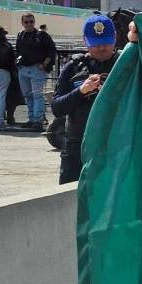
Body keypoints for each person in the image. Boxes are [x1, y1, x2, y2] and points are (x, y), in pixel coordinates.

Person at [51, 16, 120, 183]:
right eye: (95, 43)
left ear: (115, 38)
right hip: (78, 148)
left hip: (116, 148)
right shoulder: (74, 68)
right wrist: (81, 91)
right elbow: (57, 108)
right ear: (85, 41)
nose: (102, 48)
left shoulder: (125, 65)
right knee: (70, 203)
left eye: (106, 42)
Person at [13, 13, 57, 131]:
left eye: (31, 21)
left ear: (34, 22)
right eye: (26, 22)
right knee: (28, 96)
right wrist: (19, 65)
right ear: (22, 23)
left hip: (37, 69)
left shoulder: (42, 35)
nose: (29, 24)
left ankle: (37, 120)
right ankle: (32, 119)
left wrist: (44, 64)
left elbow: (52, 50)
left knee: (37, 95)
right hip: (24, 69)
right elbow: (17, 51)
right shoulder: (20, 35)